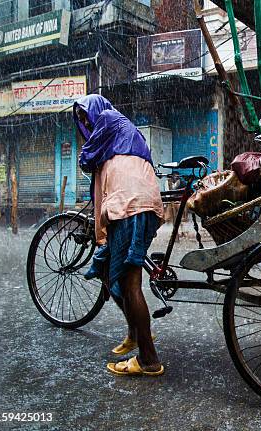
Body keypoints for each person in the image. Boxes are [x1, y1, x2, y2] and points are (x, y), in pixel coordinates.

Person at [74, 94, 165, 376]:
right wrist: (102, 234)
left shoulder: (109, 120)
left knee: (130, 283)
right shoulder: (118, 136)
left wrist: (100, 231)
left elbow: (85, 159)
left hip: (130, 205)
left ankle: (149, 360)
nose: (86, 123)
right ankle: (136, 333)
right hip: (136, 204)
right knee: (106, 268)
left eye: (86, 116)